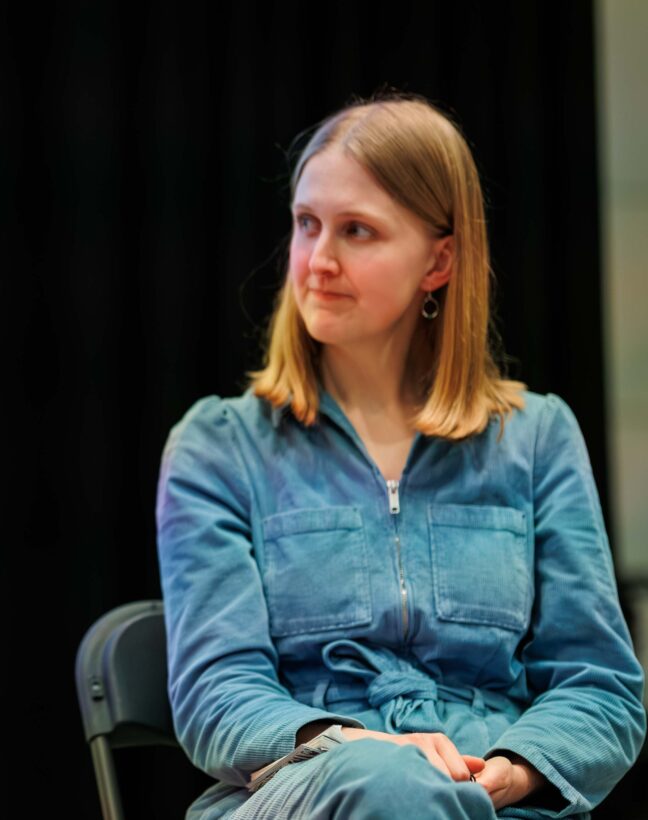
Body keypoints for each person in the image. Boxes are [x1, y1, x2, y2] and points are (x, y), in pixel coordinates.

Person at [155, 96, 645, 819]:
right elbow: (216, 697)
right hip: (306, 789)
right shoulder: (218, 444)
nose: (318, 261)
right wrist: (365, 748)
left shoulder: (537, 435)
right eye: (306, 224)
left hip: (491, 796)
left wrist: (510, 769)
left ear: (439, 260)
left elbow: (599, 685)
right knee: (388, 788)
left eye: (357, 231)